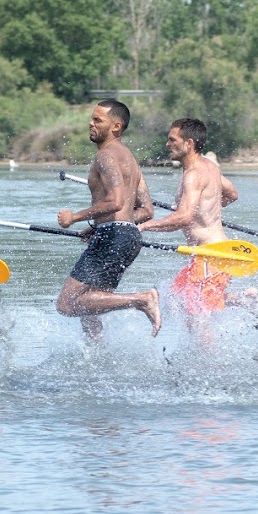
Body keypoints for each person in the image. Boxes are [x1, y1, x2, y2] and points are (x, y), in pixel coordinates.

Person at [56, 99, 162, 339]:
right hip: (127, 237)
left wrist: (75, 217)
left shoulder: (105, 156)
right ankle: (96, 358)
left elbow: (115, 202)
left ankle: (142, 299)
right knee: (90, 305)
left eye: (97, 120)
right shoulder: (131, 160)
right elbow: (146, 210)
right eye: (92, 118)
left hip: (113, 237)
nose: (90, 123)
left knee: (67, 304)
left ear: (116, 127)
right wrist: (99, 225)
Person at [138, 118, 252, 324]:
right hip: (212, 254)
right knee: (178, 299)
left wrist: (144, 226)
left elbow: (183, 218)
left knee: (197, 316)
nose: (167, 144)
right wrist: (204, 210)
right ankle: (243, 299)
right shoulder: (210, 167)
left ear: (189, 144)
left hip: (210, 256)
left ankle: (209, 357)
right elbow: (232, 194)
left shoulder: (193, 175)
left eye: (173, 140)